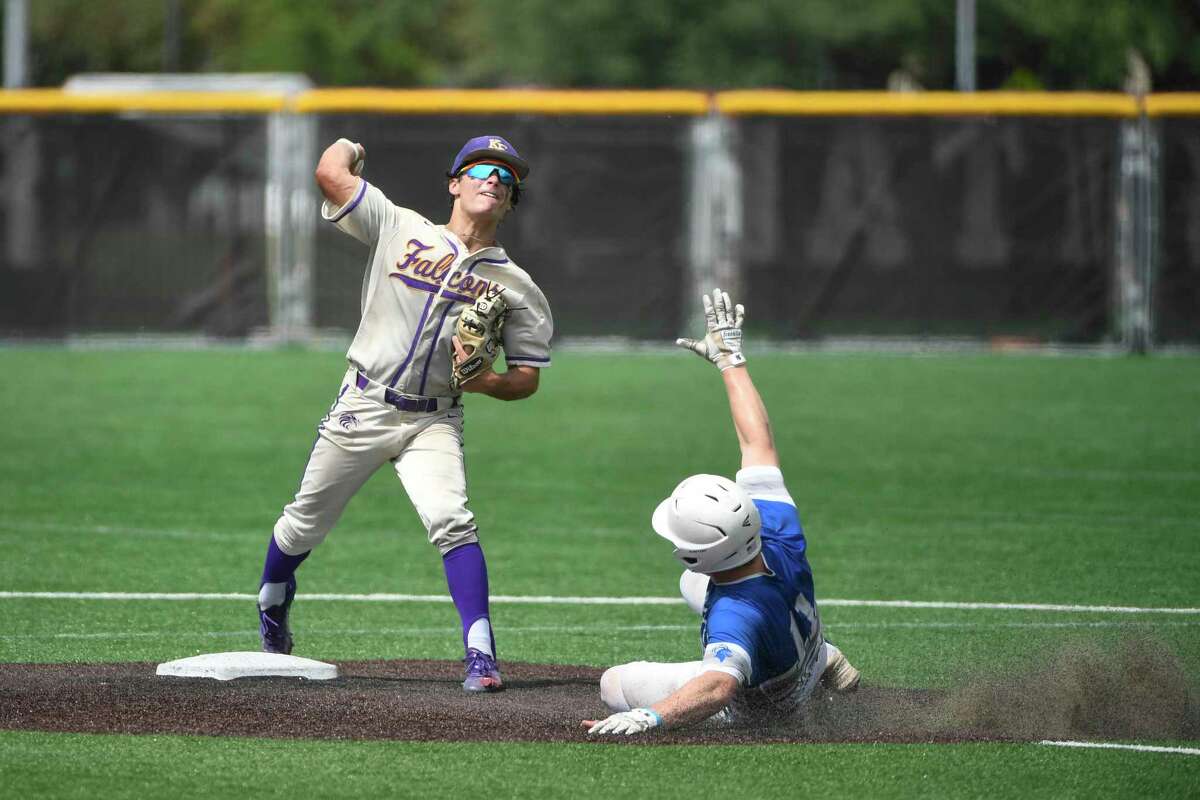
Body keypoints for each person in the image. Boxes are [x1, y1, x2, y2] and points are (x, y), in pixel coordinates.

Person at [256, 134, 553, 693]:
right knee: (304, 522)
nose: (494, 180)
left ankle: (481, 653)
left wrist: (487, 381)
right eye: (481, 169)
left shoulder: (517, 287)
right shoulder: (400, 226)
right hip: (365, 402)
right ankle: (273, 595)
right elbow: (329, 173)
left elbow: (526, 379)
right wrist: (350, 145)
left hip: (434, 419)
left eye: (506, 177)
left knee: (452, 519)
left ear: (511, 201)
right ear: (454, 183)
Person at [584, 289, 858, 735]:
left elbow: (717, 687)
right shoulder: (777, 528)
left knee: (613, 683)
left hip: (771, 710)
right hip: (799, 647)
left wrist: (649, 716)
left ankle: (807, 676)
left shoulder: (736, 615)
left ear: (703, 553)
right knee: (690, 587)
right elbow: (757, 442)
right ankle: (822, 654)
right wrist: (731, 360)